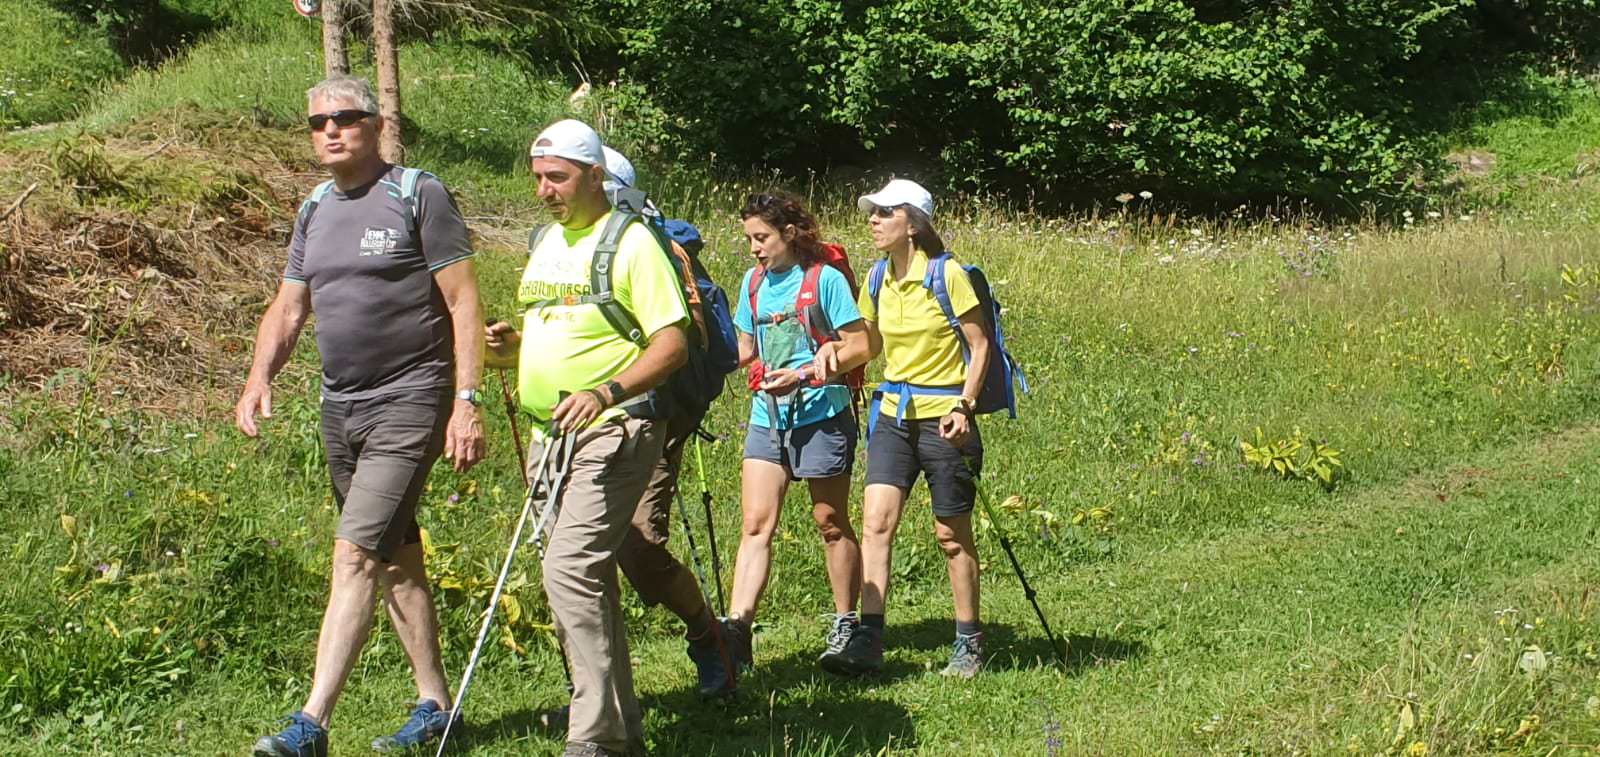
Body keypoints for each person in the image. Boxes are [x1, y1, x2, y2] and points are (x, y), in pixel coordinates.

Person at [236, 76, 486, 756]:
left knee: (354, 552)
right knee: (396, 553)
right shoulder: (315, 208)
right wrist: (259, 377)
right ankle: (437, 703)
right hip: (340, 405)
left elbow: (464, 302)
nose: (331, 130)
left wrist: (466, 401)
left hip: (411, 398)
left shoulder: (417, 194)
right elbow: (290, 307)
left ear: (375, 125)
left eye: (346, 117)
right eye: (319, 121)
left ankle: (311, 723)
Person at [484, 119, 689, 757]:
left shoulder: (632, 243)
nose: (545, 189)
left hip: (614, 428)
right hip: (551, 433)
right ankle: (620, 732)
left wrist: (605, 393)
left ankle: (591, 737)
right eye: (538, 177)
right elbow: (561, 329)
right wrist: (509, 348)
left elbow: (673, 344)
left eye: (558, 177)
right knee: (585, 579)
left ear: (595, 175)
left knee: (568, 570)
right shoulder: (545, 240)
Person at [824, 179, 991, 679]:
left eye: (883, 212)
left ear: (913, 224)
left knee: (950, 535)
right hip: (893, 417)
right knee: (875, 524)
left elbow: (980, 346)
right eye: (871, 212)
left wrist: (965, 405)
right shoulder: (877, 278)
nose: (872, 219)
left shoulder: (947, 275)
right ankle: (869, 641)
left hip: (945, 419)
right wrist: (826, 360)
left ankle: (969, 642)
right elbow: (867, 346)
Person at [602, 145, 738, 697]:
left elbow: (676, 342)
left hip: (648, 413)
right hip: (573, 417)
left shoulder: (648, 244)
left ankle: (709, 636)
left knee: (638, 547)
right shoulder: (562, 248)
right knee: (577, 551)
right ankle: (601, 688)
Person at [721, 192, 875, 676]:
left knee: (830, 522)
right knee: (755, 526)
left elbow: (861, 345)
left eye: (761, 237)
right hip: (767, 417)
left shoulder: (824, 280)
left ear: (789, 234)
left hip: (821, 414)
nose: (754, 248)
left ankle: (846, 623)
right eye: (749, 239)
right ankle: (737, 632)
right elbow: (744, 349)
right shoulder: (752, 283)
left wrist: (809, 373)